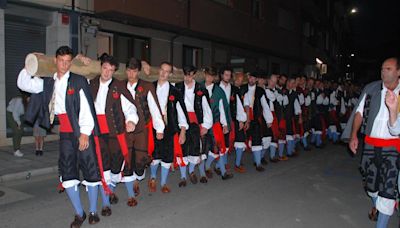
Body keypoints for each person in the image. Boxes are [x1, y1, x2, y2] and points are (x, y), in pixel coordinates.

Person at [17, 46, 105, 227]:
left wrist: (84, 133)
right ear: (55, 61)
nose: (64, 65)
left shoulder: (79, 80)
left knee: (90, 170)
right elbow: (24, 84)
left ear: (70, 62)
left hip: (81, 131)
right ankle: (79, 213)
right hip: (65, 133)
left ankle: (93, 211)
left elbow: (87, 108)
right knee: (68, 173)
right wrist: (31, 63)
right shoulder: (48, 82)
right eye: (61, 61)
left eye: (67, 61)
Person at [342, 57, 400, 228]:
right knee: (371, 187)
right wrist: (353, 135)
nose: (383, 71)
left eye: (388, 68)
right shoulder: (372, 89)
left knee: (387, 192)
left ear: (398, 72)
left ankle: (382, 216)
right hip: (370, 145)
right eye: (382, 68)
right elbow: (359, 113)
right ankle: (377, 205)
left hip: (393, 148)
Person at [88, 54, 138, 213]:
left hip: (115, 133)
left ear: (114, 71)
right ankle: (106, 204)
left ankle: (113, 191)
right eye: (105, 68)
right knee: (104, 168)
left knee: (117, 166)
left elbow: (130, 107)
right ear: (100, 67)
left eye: (111, 70)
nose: (107, 72)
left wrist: (131, 120)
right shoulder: (91, 83)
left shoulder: (118, 86)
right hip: (97, 133)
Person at [124, 58, 165, 193]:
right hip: (126, 128)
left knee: (141, 157)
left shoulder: (147, 86)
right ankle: (132, 185)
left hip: (143, 128)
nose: (131, 74)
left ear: (138, 72)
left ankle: (138, 177)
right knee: (129, 156)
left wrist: (159, 128)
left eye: (134, 71)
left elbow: (154, 107)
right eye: (129, 71)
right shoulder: (120, 85)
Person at [149, 61, 188, 191]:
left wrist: (182, 131)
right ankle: (153, 178)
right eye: (162, 70)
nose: (163, 73)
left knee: (167, 156)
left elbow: (181, 112)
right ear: (158, 70)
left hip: (169, 128)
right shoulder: (150, 87)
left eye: (167, 71)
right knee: (154, 155)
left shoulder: (174, 91)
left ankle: (163, 183)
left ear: (170, 74)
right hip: (152, 127)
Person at [175, 65, 213, 185]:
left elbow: (206, 108)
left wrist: (206, 125)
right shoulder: (177, 87)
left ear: (194, 75)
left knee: (197, 147)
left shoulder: (200, 89)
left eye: (190, 75)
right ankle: (183, 177)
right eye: (186, 75)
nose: (188, 77)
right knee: (183, 148)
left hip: (196, 121)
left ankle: (191, 171)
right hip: (181, 121)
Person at [6, 93, 29, 157]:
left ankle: (17, 148)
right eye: (29, 98)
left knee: (20, 131)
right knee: (16, 131)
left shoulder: (27, 103)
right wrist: (18, 123)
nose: (30, 99)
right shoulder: (19, 100)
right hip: (11, 114)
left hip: (18, 115)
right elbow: (15, 112)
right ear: (26, 97)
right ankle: (16, 150)